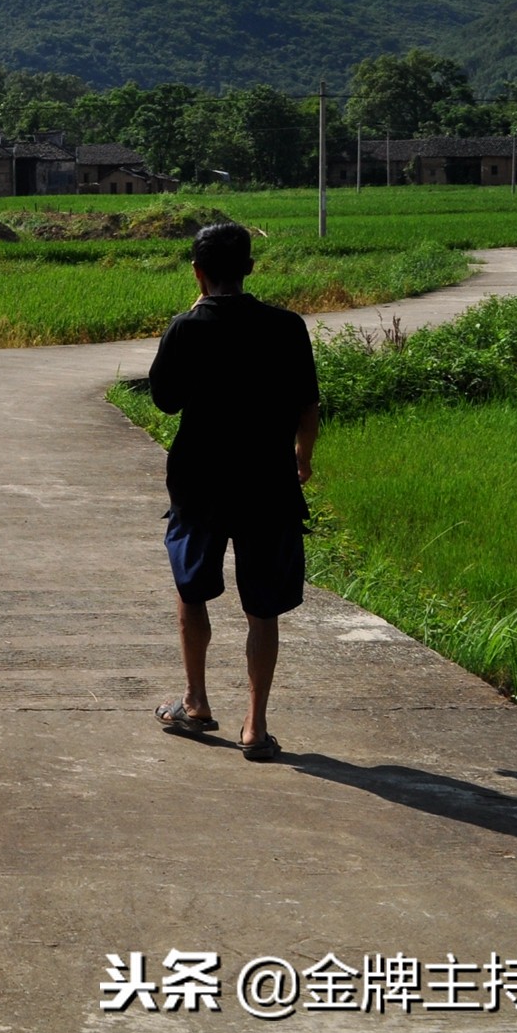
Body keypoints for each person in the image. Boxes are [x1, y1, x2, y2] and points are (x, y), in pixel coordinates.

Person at [146, 222, 320, 762]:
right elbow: (308, 406)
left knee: (191, 588)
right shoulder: (287, 327)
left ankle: (195, 701)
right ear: (249, 268)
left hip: (199, 482)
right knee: (261, 606)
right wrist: (302, 459)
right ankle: (255, 727)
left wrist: (195, 314)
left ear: (197, 271)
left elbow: (166, 402)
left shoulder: (185, 328)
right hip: (267, 483)